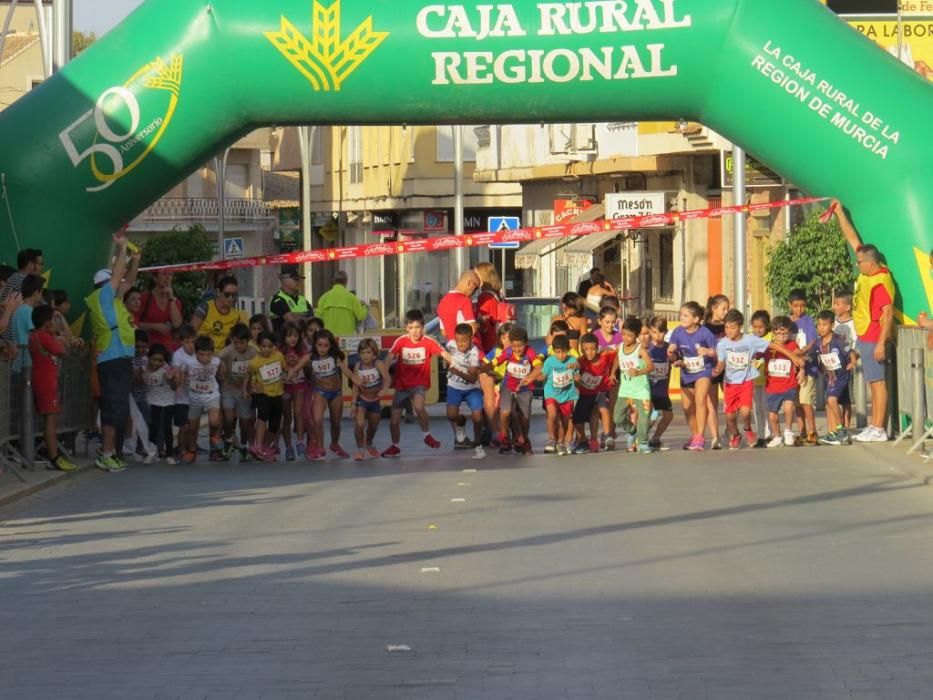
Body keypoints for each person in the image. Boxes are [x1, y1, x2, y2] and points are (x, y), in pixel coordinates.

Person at [831, 200, 896, 442]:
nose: (857, 265)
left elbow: (887, 313)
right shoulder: (867, 272)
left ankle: (879, 428)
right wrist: (839, 213)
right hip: (865, 335)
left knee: (878, 383)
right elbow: (853, 239)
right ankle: (874, 425)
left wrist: (880, 343)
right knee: (872, 382)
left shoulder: (879, 280)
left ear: (870, 262)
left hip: (874, 336)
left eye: (859, 263)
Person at [85, 233, 140, 472]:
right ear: (105, 284)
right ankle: (106, 454)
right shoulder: (103, 296)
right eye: (114, 283)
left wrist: (135, 258)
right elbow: (119, 275)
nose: (120, 287)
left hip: (120, 360)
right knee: (112, 410)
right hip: (112, 360)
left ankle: (112, 452)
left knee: (118, 410)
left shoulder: (113, 300)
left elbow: (129, 280)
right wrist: (122, 248)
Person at [713, 309, 801, 450]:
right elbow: (721, 361)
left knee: (746, 411)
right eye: (726, 327)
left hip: (747, 381)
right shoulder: (722, 344)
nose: (729, 331)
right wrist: (718, 368)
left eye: (733, 327)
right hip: (730, 384)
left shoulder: (750, 340)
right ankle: (735, 434)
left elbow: (773, 345)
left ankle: (748, 429)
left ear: (740, 327)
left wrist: (792, 356)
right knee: (730, 416)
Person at [382, 309, 453, 458]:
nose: (415, 331)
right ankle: (395, 446)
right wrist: (385, 375)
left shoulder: (428, 341)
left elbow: (445, 354)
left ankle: (426, 435)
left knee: (419, 406)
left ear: (423, 327)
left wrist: (455, 365)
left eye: (418, 327)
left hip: (419, 384)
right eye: (411, 328)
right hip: (401, 386)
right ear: (406, 328)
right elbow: (388, 359)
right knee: (394, 420)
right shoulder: (401, 341)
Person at [28, 305, 75, 471]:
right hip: (47, 383)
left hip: (42, 381)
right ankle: (53, 457)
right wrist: (70, 347)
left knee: (50, 420)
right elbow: (64, 354)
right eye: (55, 320)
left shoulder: (35, 335)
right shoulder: (44, 337)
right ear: (48, 324)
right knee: (50, 421)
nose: (57, 323)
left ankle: (51, 454)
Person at [667, 301, 718, 451]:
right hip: (687, 372)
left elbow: (715, 353)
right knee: (687, 408)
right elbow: (673, 356)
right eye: (681, 315)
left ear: (696, 319)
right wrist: (672, 355)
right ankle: (695, 436)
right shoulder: (677, 332)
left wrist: (708, 352)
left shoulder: (705, 333)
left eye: (685, 316)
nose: (681, 318)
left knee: (700, 399)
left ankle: (700, 437)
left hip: (704, 370)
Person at [489, 325, 541, 455]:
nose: (517, 349)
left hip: (525, 389)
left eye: (520, 346)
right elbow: (495, 361)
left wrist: (529, 378)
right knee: (505, 412)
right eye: (514, 346)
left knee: (524, 417)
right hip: (508, 386)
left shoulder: (530, 352)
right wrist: (483, 368)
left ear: (526, 343)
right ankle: (505, 439)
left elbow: (538, 367)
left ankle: (524, 440)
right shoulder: (507, 352)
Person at [306, 329, 356, 461]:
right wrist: (290, 373)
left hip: (336, 393)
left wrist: (355, 379)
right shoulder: (310, 357)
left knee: (336, 423)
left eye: (326, 346)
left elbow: (347, 371)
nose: (322, 349)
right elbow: (295, 367)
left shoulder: (334, 357)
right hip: (320, 392)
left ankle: (334, 444)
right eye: (319, 345)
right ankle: (320, 448)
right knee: (317, 420)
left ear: (331, 345)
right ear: (314, 344)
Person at [531, 334, 579, 456]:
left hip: (567, 395)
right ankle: (552, 439)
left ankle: (561, 442)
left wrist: (577, 374)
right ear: (553, 351)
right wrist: (533, 377)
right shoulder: (549, 361)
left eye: (563, 352)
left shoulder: (572, 361)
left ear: (568, 350)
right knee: (552, 414)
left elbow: (578, 373)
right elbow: (542, 375)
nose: (561, 355)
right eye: (558, 352)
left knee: (565, 419)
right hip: (551, 393)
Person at [815, 310, 858, 446]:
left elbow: (850, 352)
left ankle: (841, 431)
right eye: (819, 325)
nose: (821, 327)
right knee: (834, 403)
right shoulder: (818, 342)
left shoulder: (839, 340)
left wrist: (852, 362)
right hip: (830, 378)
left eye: (824, 324)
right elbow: (811, 351)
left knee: (832, 400)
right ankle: (834, 433)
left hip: (842, 376)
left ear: (832, 325)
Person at [612, 317, 655, 454]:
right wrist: (612, 373)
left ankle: (643, 442)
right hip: (625, 390)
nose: (625, 338)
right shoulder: (620, 347)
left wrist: (638, 372)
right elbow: (617, 360)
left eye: (629, 335)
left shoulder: (640, 350)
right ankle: (632, 431)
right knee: (617, 417)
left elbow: (651, 366)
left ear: (636, 336)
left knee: (643, 417)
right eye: (623, 334)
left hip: (641, 390)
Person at [445, 323, 486, 459]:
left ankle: (478, 445)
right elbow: (442, 353)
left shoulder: (474, 352)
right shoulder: (450, 345)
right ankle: (461, 422)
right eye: (458, 341)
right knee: (451, 415)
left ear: (471, 338)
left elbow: (472, 377)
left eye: (464, 341)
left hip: (471, 388)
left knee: (478, 416)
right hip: (454, 387)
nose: (461, 344)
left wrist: (457, 371)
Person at [245, 331, 286, 462]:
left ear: (273, 346)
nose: (266, 349)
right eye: (263, 346)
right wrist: (246, 389)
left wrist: (290, 373)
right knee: (263, 415)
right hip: (262, 393)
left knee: (275, 422)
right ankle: (257, 445)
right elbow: (248, 374)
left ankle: (265, 447)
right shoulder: (254, 362)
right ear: (259, 346)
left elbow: (285, 369)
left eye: (269, 346)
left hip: (277, 393)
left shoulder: (279, 356)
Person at [764, 317, 804, 448]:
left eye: (785, 333)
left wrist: (802, 370)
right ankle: (777, 436)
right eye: (778, 333)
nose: (782, 336)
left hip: (789, 385)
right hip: (772, 387)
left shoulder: (792, 345)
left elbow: (801, 360)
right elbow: (754, 354)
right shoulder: (767, 347)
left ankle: (788, 431)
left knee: (788, 408)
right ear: (773, 332)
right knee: (772, 415)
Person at [219, 323, 256, 461]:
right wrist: (221, 365)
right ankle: (228, 440)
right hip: (229, 388)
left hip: (244, 390)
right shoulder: (228, 350)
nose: (239, 346)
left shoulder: (253, 352)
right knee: (228, 416)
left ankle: (243, 446)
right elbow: (216, 358)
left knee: (245, 422)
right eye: (236, 343)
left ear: (248, 341)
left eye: (242, 343)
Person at [572, 333, 614, 454]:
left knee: (602, 408)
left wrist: (612, 373)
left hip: (601, 390)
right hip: (585, 394)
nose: (589, 352)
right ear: (581, 350)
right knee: (576, 420)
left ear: (597, 348)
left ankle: (607, 436)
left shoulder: (605, 356)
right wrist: (576, 381)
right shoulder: (580, 362)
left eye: (593, 349)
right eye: (586, 349)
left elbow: (618, 355)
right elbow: (576, 379)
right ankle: (584, 441)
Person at [788, 289, 820, 445]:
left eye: (802, 306)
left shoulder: (807, 320)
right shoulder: (787, 322)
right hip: (793, 369)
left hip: (808, 366)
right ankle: (802, 431)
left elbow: (813, 341)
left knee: (805, 400)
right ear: (790, 305)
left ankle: (813, 431)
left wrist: (803, 351)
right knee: (797, 402)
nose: (799, 309)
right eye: (795, 306)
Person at [351, 338, 390, 460]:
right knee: (360, 424)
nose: (365, 356)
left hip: (375, 401)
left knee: (373, 426)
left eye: (368, 352)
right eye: (362, 353)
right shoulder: (358, 366)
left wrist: (385, 389)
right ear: (359, 354)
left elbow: (387, 378)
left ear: (374, 354)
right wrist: (353, 403)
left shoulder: (378, 364)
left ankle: (369, 443)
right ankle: (360, 449)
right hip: (362, 400)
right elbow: (355, 385)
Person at [142, 343, 177, 464]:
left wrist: (171, 379)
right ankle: (152, 452)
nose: (156, 363)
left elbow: (174, 387)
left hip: (168, 400)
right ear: (149, 358)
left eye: (160, 361)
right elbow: (140, 380)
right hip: (153, 400)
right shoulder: (144, 366)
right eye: (154, 360)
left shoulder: (167, 369)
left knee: (167, 427)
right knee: (154, 426)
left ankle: (169, 454)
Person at [280, 321, 310, 461]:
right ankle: (288, 447)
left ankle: (299, 441)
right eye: (289, 336)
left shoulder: (302, 349)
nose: (292, 339)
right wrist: (287, 370)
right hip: (284, 386)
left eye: (295, 336)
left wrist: (295, 369)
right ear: (284, 337)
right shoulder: (279, 350)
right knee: (287, 416)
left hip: (299, 385)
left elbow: (306, 359)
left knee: (298, 413)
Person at [191, 275, 247, 350]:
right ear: (218, 292)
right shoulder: (205, 308)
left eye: (234, 295)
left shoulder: (236, 315)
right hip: (202, 352)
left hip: (222, 355)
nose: (231, 298)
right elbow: (191, 334)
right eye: (227, 295)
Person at [704, 295, 730, 450]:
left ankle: (730, 430)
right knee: (711, 403)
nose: (726, 312)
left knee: (730, 401)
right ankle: (715, 437)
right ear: (714, 308)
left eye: (728, 309)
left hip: (727, 368)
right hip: (711, 368)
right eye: (723, 309)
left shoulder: (728, 326)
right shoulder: (704, 328)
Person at [171, 325, 199, 463]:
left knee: (193, 424)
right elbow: (176, 371)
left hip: (195, 396)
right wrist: (179, 378)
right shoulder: (177, 355)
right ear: (181, 342)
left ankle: (191, 447)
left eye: (193, 341)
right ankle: (182, 448)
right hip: (182, 397)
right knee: (184, 425)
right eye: (187, 342)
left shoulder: (199, 354)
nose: (190, 345)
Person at [137, 270, 183, 352]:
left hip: (167, 348)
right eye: (164, 274)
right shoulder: (145, 298)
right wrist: (156, 327)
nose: (168, 277)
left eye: (170, 274)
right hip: (146, 347)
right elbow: (134, 323)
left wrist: (171, 298)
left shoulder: (175, 302)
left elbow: (177, 324)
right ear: (155, 278)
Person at [646, 317, 674, 450]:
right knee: (648, 415)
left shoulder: (669, 348)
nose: (658, 335)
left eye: (661, 332)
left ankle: (655, 439)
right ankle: (640, 438)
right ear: (650, 332)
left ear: (666, 332)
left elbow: (675, 362)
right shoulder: (647, 349)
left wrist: (676, 359)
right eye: (654, 332)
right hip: (648, 390)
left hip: (662, 391)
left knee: (668, 416)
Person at [315, 270, 367, 337]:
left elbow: (317, 319)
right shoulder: (352, 298)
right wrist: (365, 307)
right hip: (347, 338)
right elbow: (361, 316)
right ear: (346, 282)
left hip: (328, 338)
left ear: (333, 281)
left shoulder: (323, 298)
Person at [832, 291, 856, 430]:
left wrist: (852, 360)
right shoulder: (832, 322)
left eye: (837, 304)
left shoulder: (854, 324)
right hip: (831, 367)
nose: (834, 307)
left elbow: (855, 345)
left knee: (845, 400)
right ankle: (834, 427)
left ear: (847, 307)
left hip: (845, 367)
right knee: (831, 398)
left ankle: (846, 427)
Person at [749, 310, 773, 447]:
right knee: (757, 407)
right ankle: (761, 434)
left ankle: (770, 433)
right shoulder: (749, 339)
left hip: (767, 379)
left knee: (766, 406)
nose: (758, 330)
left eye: (761, 327)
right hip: (754, 379)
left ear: (767, 326)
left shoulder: (771, 338)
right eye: (755, 327)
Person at [436, 269, 481, 340]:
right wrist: (479, 323)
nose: (475, 292)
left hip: (453, 347)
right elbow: (472, 329)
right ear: (469, 282)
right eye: (476, 288)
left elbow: (443, 332)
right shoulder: (465, 300)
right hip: (470, 347)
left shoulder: (442, 302)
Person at [474, 262, 506, 354]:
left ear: (483, 276)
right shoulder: (499, 295)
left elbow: (484, 327)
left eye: (476, 274)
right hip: (500, 342)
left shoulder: (484, 297)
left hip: (488, 345)